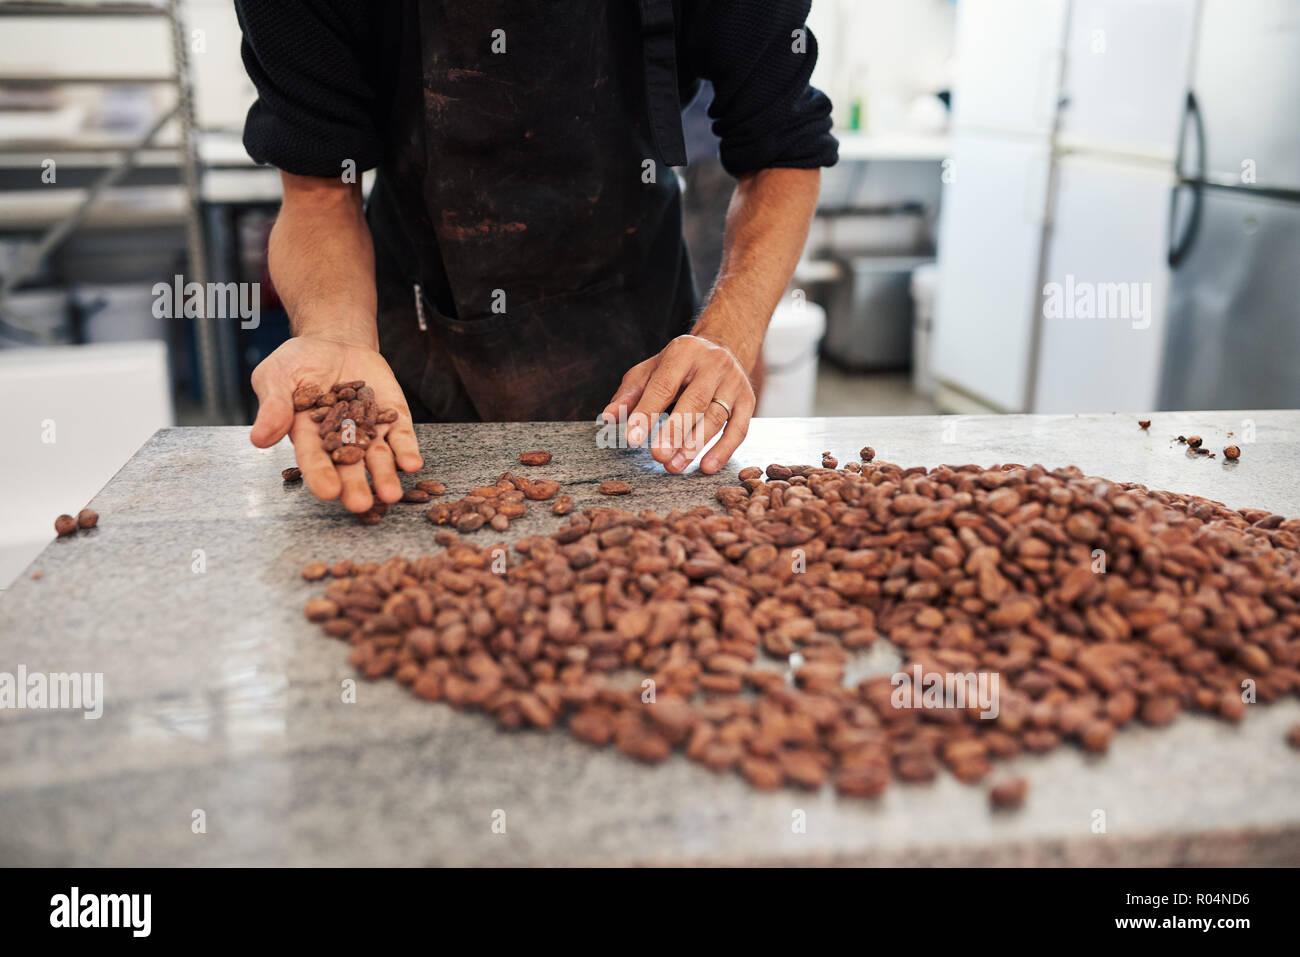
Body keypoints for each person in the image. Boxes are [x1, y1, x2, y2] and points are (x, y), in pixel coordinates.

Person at [237, 0, 837, 513]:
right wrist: (335, 333)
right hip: (411, 334)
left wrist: (727, 336)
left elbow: (780, 149)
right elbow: (318, 193)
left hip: (639, 341)